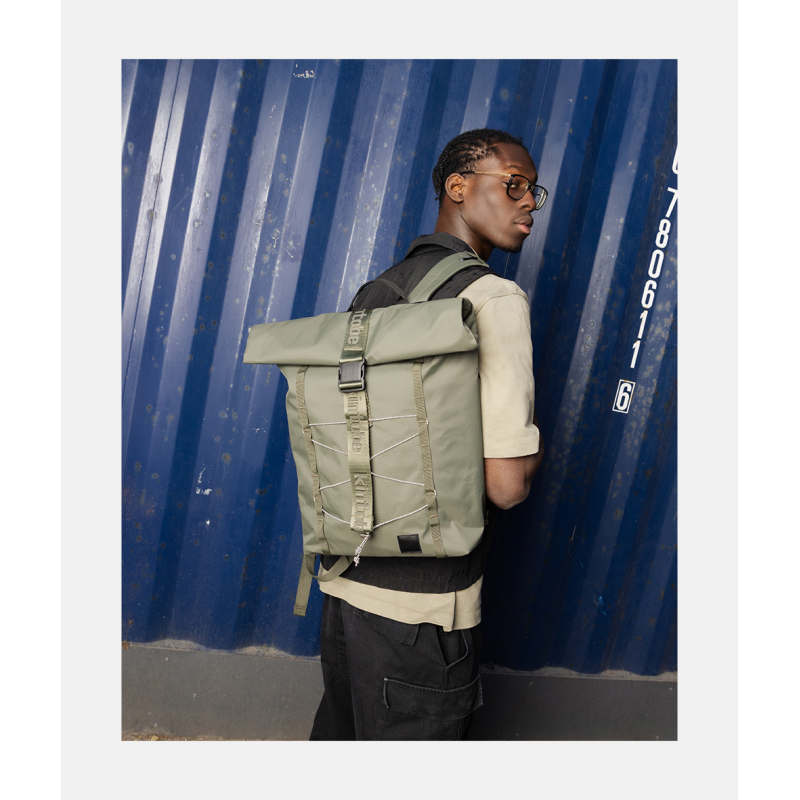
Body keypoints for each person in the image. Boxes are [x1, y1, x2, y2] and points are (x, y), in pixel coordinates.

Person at [309, 128, 545, 740]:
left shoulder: (378, 289)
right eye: (513, 184)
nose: (529, 201)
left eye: (533, 191)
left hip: (346, 586)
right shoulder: (493, 299)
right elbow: (506, 486)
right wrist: (537, 446)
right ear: (457, 187)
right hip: (422, 614)